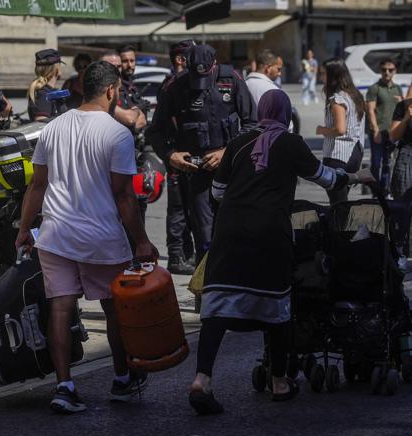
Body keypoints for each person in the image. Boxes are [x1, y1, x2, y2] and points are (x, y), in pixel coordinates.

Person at [189, 89, 375, 415]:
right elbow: (327, 178)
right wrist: (356, 175)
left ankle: (202, 380)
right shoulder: (291, 144)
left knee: (217, 306)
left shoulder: (238, 143)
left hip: (229, 232)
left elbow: (217, 192)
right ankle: (279, 382)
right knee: (276, 307)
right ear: (286, 114)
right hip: (270, 232)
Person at [15, 61, 159, 414]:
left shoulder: (52, 128)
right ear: (111, 91)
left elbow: (37, 185)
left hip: (55, 235)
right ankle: (122, 379)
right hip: (102, 238)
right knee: (114, 310)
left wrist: (23, 229)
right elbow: (124, 196)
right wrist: (141, 240)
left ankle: (64, 386)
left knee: (61, 309)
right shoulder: (117, 134)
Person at [146, 44, 256, 267]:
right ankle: (205, 291)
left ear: (213, 65)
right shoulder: (174, 87)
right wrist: (170, 155)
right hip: (196, 172)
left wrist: (227, 152)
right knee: (204, 236)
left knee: (235, 230)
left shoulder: (231, 79)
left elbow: (253, 124)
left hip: (230, 170)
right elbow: (155, 131)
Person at [160, 40, 196, 275]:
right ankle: (176, 256)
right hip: (177, 155)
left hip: (185, 155)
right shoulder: (173, 85)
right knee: (178, 209)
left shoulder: (185, 83)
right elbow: (170, 123)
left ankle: (186, 252)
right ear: (181, 59)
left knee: (188, 208)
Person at [315, 58, 366, 205]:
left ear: (334, 76)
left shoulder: (338, 100)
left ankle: (341, 227)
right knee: (342, 201)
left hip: (338, 156)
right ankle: (342, 226)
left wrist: (321, 130)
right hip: (355, 154)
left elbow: (340, 129)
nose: (321, 77)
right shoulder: (355, 96)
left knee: (338, 204)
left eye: (324, 74)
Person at [366, 58, 404, 191]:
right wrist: (375, 131)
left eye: (390, 70)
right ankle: (375, 190)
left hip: (392, 132)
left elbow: (403, 110)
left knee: (388, 163)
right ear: (380, 71)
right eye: (384, 70)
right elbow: (370, 110)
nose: (387, 72)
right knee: (376, 163)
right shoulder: (375, 88)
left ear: (395, 71)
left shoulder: (398, 88)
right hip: (378, 131)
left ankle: (384, 189)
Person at [100, 51, 145, 131]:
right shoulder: (99, 91)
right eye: (112, 67)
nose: (117, 70)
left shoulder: (122, 88)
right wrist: (136, 111)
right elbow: (130, 119)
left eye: (119, 66)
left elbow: (142, 120)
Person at [27, 49, 66, 121]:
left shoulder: (45, 92)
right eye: (60, 65)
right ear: (56, 69)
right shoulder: (44, 94)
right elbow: (41, 126)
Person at [389, 94, 412, 199]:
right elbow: (394, 136)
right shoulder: (403, 106)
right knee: (402, 197)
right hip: (408, 155)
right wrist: (406, 118)